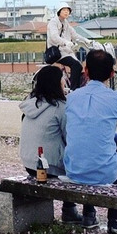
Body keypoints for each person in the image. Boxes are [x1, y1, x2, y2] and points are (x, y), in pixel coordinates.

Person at [63, 49, 117, 234]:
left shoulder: (72, 98)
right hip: (104, 172)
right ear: (112, 74)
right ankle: (116, 219)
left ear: (86, 71)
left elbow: (78, 129)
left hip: (73, 169)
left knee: (94, 147)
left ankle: (89, 214)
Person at [19, 65, 82, 224]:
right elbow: (71, 138)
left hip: (29, 162)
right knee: (79, 161)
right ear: (57, 83)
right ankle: (71, 210)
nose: (65, 83)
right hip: (48, 167)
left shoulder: (30, 103)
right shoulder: (60, 107)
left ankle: (71, 210)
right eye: (62, 80)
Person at [46, 5, 87, 89]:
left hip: (66, 51)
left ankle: (75, 86)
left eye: (68, 10)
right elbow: (54, 37)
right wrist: (66, 42)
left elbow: (74, 35)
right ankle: (73, 90)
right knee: (76, 65)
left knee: (79, 67)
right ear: (59, 11)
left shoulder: (66, 23)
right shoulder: (53, 22)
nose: (66, 12)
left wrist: (86, 40)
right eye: (64, 10)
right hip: (57, 52)